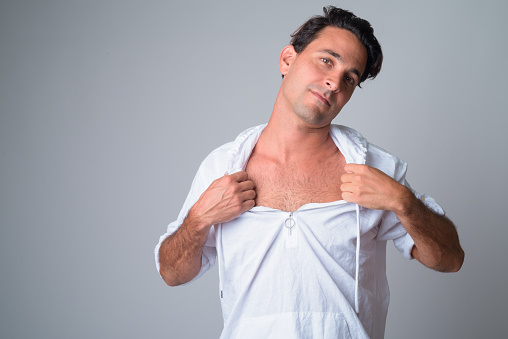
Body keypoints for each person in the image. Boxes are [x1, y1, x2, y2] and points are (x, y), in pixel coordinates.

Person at [154, 6, 464, 339]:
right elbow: (173, 273)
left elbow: (449, 259)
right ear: (288, 59)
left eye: (350, 77)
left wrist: (405, 203)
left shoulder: (372, 168)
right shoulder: (224, 167)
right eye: (326, 60)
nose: (334, 82)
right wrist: (198, 219)